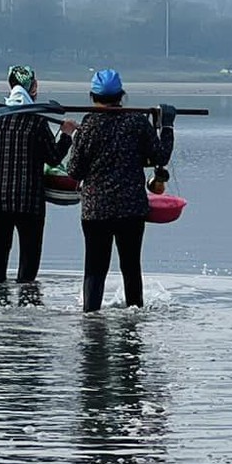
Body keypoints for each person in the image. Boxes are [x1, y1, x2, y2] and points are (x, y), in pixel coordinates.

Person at [65, 68, 175, 311]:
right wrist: (166, 126)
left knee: (94, 270)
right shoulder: (136, 122)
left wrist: (73, 137)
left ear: (93, 96)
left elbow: (74, 172)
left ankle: (91, 318)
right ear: (121, 95)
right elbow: (160, 155)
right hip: (131, 210)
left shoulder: (88, 126)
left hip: (96, 211)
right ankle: (134, 319)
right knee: (131, 267)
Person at [0, 65, 74, 286]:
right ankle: (27, 301)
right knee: (28, 266)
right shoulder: (37, 122)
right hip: (28, 202)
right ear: (32, 87)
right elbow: (53, 158)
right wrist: (66, 134)